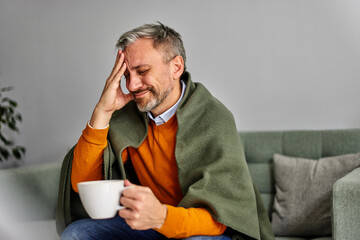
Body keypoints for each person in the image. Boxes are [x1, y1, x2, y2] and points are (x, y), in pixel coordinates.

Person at [56, 22, 274, 240]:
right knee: (76, 234)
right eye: (126, 76)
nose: (132, 85)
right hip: (151, 226)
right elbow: (83, 184)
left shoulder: (214, 118)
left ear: (176, 68)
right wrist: (102, 112)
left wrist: (162, 217)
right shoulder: (125, 118)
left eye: (142, 71)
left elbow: (220, 218)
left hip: (200, 230)